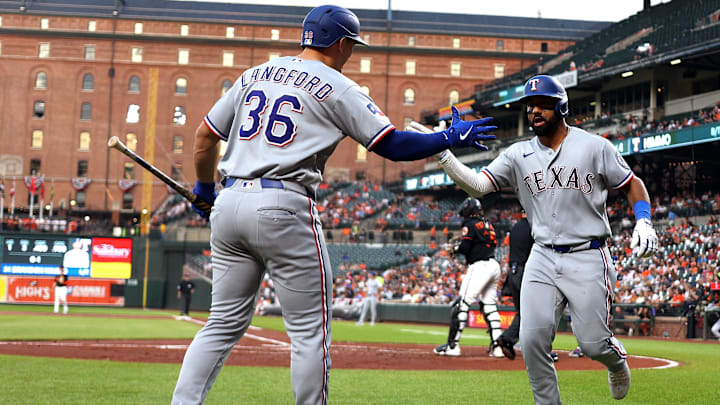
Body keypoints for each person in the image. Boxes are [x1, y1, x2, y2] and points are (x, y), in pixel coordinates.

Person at [171, 5, 496, 405]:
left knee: (220, 324)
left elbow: (205, 137)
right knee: (309, 331)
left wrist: (205, 190)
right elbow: (392, 144)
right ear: (342, 44)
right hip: (283, 202)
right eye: (352, 47)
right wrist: (449, 138)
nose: (351, 54)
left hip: (231, 199)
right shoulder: (339, 85)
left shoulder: (253, 74)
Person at [424, 75, 659, 403]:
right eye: (530, 105)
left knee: (592, 344)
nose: (534, 110)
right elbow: (478, 186)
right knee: (532, 342)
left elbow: (632, 183)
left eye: (543, 104)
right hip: (543, 256)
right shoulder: (517, 154)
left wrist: (644, 221)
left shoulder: (594, 146)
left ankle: (615, 361)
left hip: (588, 254)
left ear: (561, 107)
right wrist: (443, 153)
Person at [433, 198, 504, 358]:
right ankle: (497, 347)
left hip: (479, 266)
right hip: (494, 265)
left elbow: (465, 247)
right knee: (490, 306)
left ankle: (453, 346)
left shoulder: (470, 224)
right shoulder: (488, 224)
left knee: (461, 305)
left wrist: (456, 248)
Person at [493, 211, 531, 360]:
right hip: (525, 272)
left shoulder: (516, 227)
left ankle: (510, 340)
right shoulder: (533, 227)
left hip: (513, 273)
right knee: (532, 312)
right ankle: (509, 338)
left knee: (523, 312)